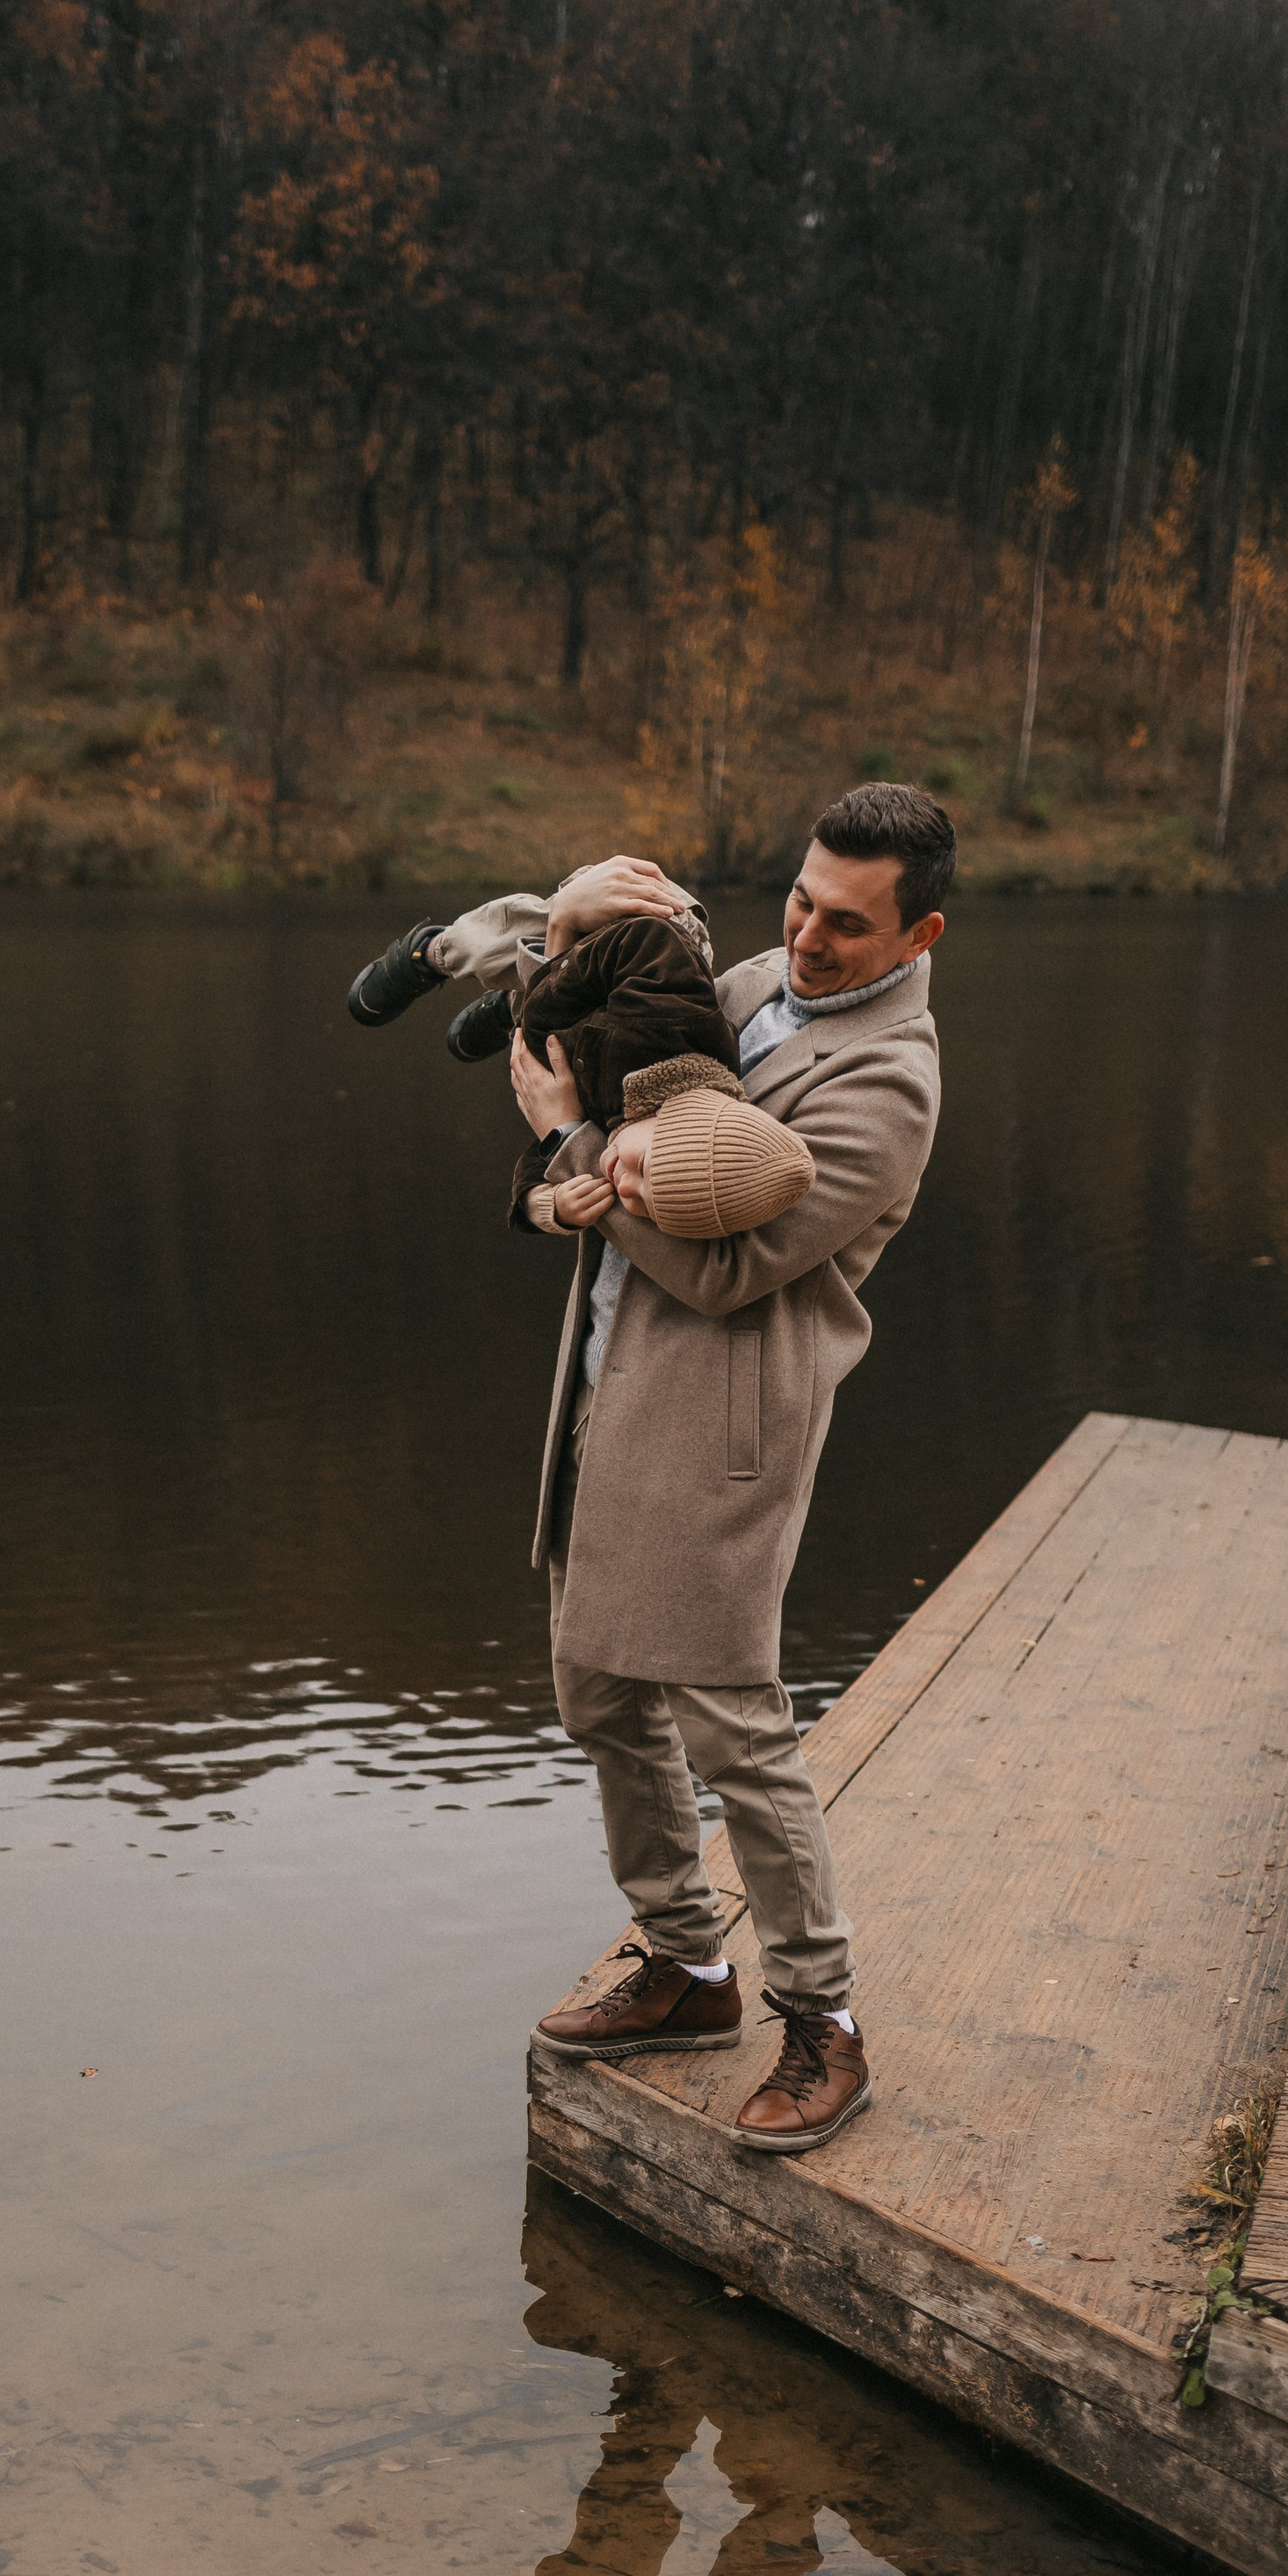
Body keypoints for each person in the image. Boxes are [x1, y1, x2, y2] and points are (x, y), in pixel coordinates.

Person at [443, 782, 954, 2152]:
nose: (809, 937)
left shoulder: (887, 1089)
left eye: (850, 924)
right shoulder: (743, 982)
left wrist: (570, 1144)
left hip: (722, 1427)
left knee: (739, 1733)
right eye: (801, 899)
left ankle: (823, 2023)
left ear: (920, 937)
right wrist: (562, 1152)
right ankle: (686, 1966)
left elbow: (726, 1273)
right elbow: (613, 1100)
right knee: (598, 1693)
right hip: (608, 1386)